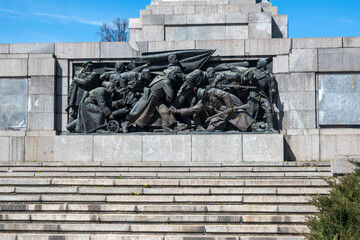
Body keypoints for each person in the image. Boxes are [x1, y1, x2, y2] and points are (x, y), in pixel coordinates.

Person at [122, 67, 183, 133]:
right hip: (149, 98)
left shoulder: (160, 77)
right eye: (172, 74)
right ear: (168, 75)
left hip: (155, 98)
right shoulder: (166, 81)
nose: (174, 76)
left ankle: (166, 126)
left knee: (164, 111)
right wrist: (167, 101)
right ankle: (125, 124)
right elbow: (170, 95)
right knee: (138, 111)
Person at [171, 88, 255, 132]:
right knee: (211, 129)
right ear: (203, 97)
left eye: (206, 92)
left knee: (241, 116)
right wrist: (177, 111)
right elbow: (191, 110)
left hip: (227, 109)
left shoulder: (213, 91)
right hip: (220, 115)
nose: (207, 93)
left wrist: (229, 107)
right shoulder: (202, 104)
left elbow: (225, 95)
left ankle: (253, 126)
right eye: (205, 94)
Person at [246, 58, 277, 132]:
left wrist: (272, 92)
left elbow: (273, 88)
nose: (257, 63)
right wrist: (248, 79)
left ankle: (270, 127)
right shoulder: (252, 72)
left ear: (263, 64)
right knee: (252, 109)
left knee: (268, 108)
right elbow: (245, 80)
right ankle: (250, 126)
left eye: (259, 62)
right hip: (253, 93)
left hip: (263, 94)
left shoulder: (269, 75)